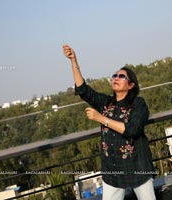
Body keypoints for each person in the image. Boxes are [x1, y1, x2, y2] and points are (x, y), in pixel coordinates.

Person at [63, 44, 156, 200]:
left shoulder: (138, 104)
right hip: (112, 170)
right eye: (114, 76)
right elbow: (84, 90)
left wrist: (101, 119)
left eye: (121, 76)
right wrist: (73, 60)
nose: (116, 79)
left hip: (137, 167)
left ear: (131, 84)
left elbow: (132, 130)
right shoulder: (106, 103)